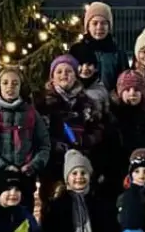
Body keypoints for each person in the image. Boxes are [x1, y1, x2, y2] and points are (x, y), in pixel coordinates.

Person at [40, 54, 105, 189]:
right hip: (54, 162)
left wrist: (85, 141)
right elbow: (39, 132)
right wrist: (56, 144)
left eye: (69, 71)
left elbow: (97, 128)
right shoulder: (43, 102)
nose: (64, 74)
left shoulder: (87, 102)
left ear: (76, 75)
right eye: (59, 71)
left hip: (81, 162)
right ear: (52, 77)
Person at [0, 66, 50, 179]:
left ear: (21, 87)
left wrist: (34, 165)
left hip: (27, 174)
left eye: (15, 83)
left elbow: (44, 144)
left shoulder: (31, 112)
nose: (10, 86)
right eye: (5, 83)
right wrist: (1, 166)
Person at [71, 1, 120, 102]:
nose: (99, 27)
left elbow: (124, 79)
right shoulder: (77, 51)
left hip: (110, 104)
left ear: (109, 26)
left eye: (104, 23)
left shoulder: (117, 53)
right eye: (95, 23)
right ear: (88, 26)